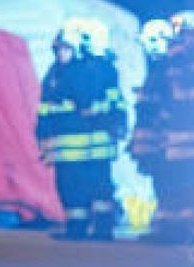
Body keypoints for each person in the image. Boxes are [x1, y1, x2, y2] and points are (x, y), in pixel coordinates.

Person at [155, 10, 194, 244]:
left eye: (188, 35)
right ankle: (176, 228)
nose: (184, 41)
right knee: (176, 183)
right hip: (176, 137)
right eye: (181, 36)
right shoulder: (173, 61)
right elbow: (166, 95)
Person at [74, 19, 126, 241]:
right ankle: (91, 225)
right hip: (90, 136)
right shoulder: (87, 67)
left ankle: (104, 226)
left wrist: (99, 111)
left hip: (101, 134)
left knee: (101, 182)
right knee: (87, 181)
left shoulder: (105, 69)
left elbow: (114, 101)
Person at [37, 25, 89, 238]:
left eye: (65, 49)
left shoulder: (81, 72)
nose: (61, 54)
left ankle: (79, 228)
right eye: (58, 49)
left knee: (77, 184)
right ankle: (73, 225)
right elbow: (44, 105)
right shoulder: (53, 73)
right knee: (65, 184)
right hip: (60, 142)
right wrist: (41, 130)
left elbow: (83, 104)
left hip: (77, 140)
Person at [130, 19, 173, 238]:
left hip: (166, 140)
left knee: (169, 182)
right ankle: (163, 224)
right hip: (156, 140)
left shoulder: (169, 70)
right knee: (161, 182)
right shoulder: (157, 70)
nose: (149, 49)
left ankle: (170, 226)